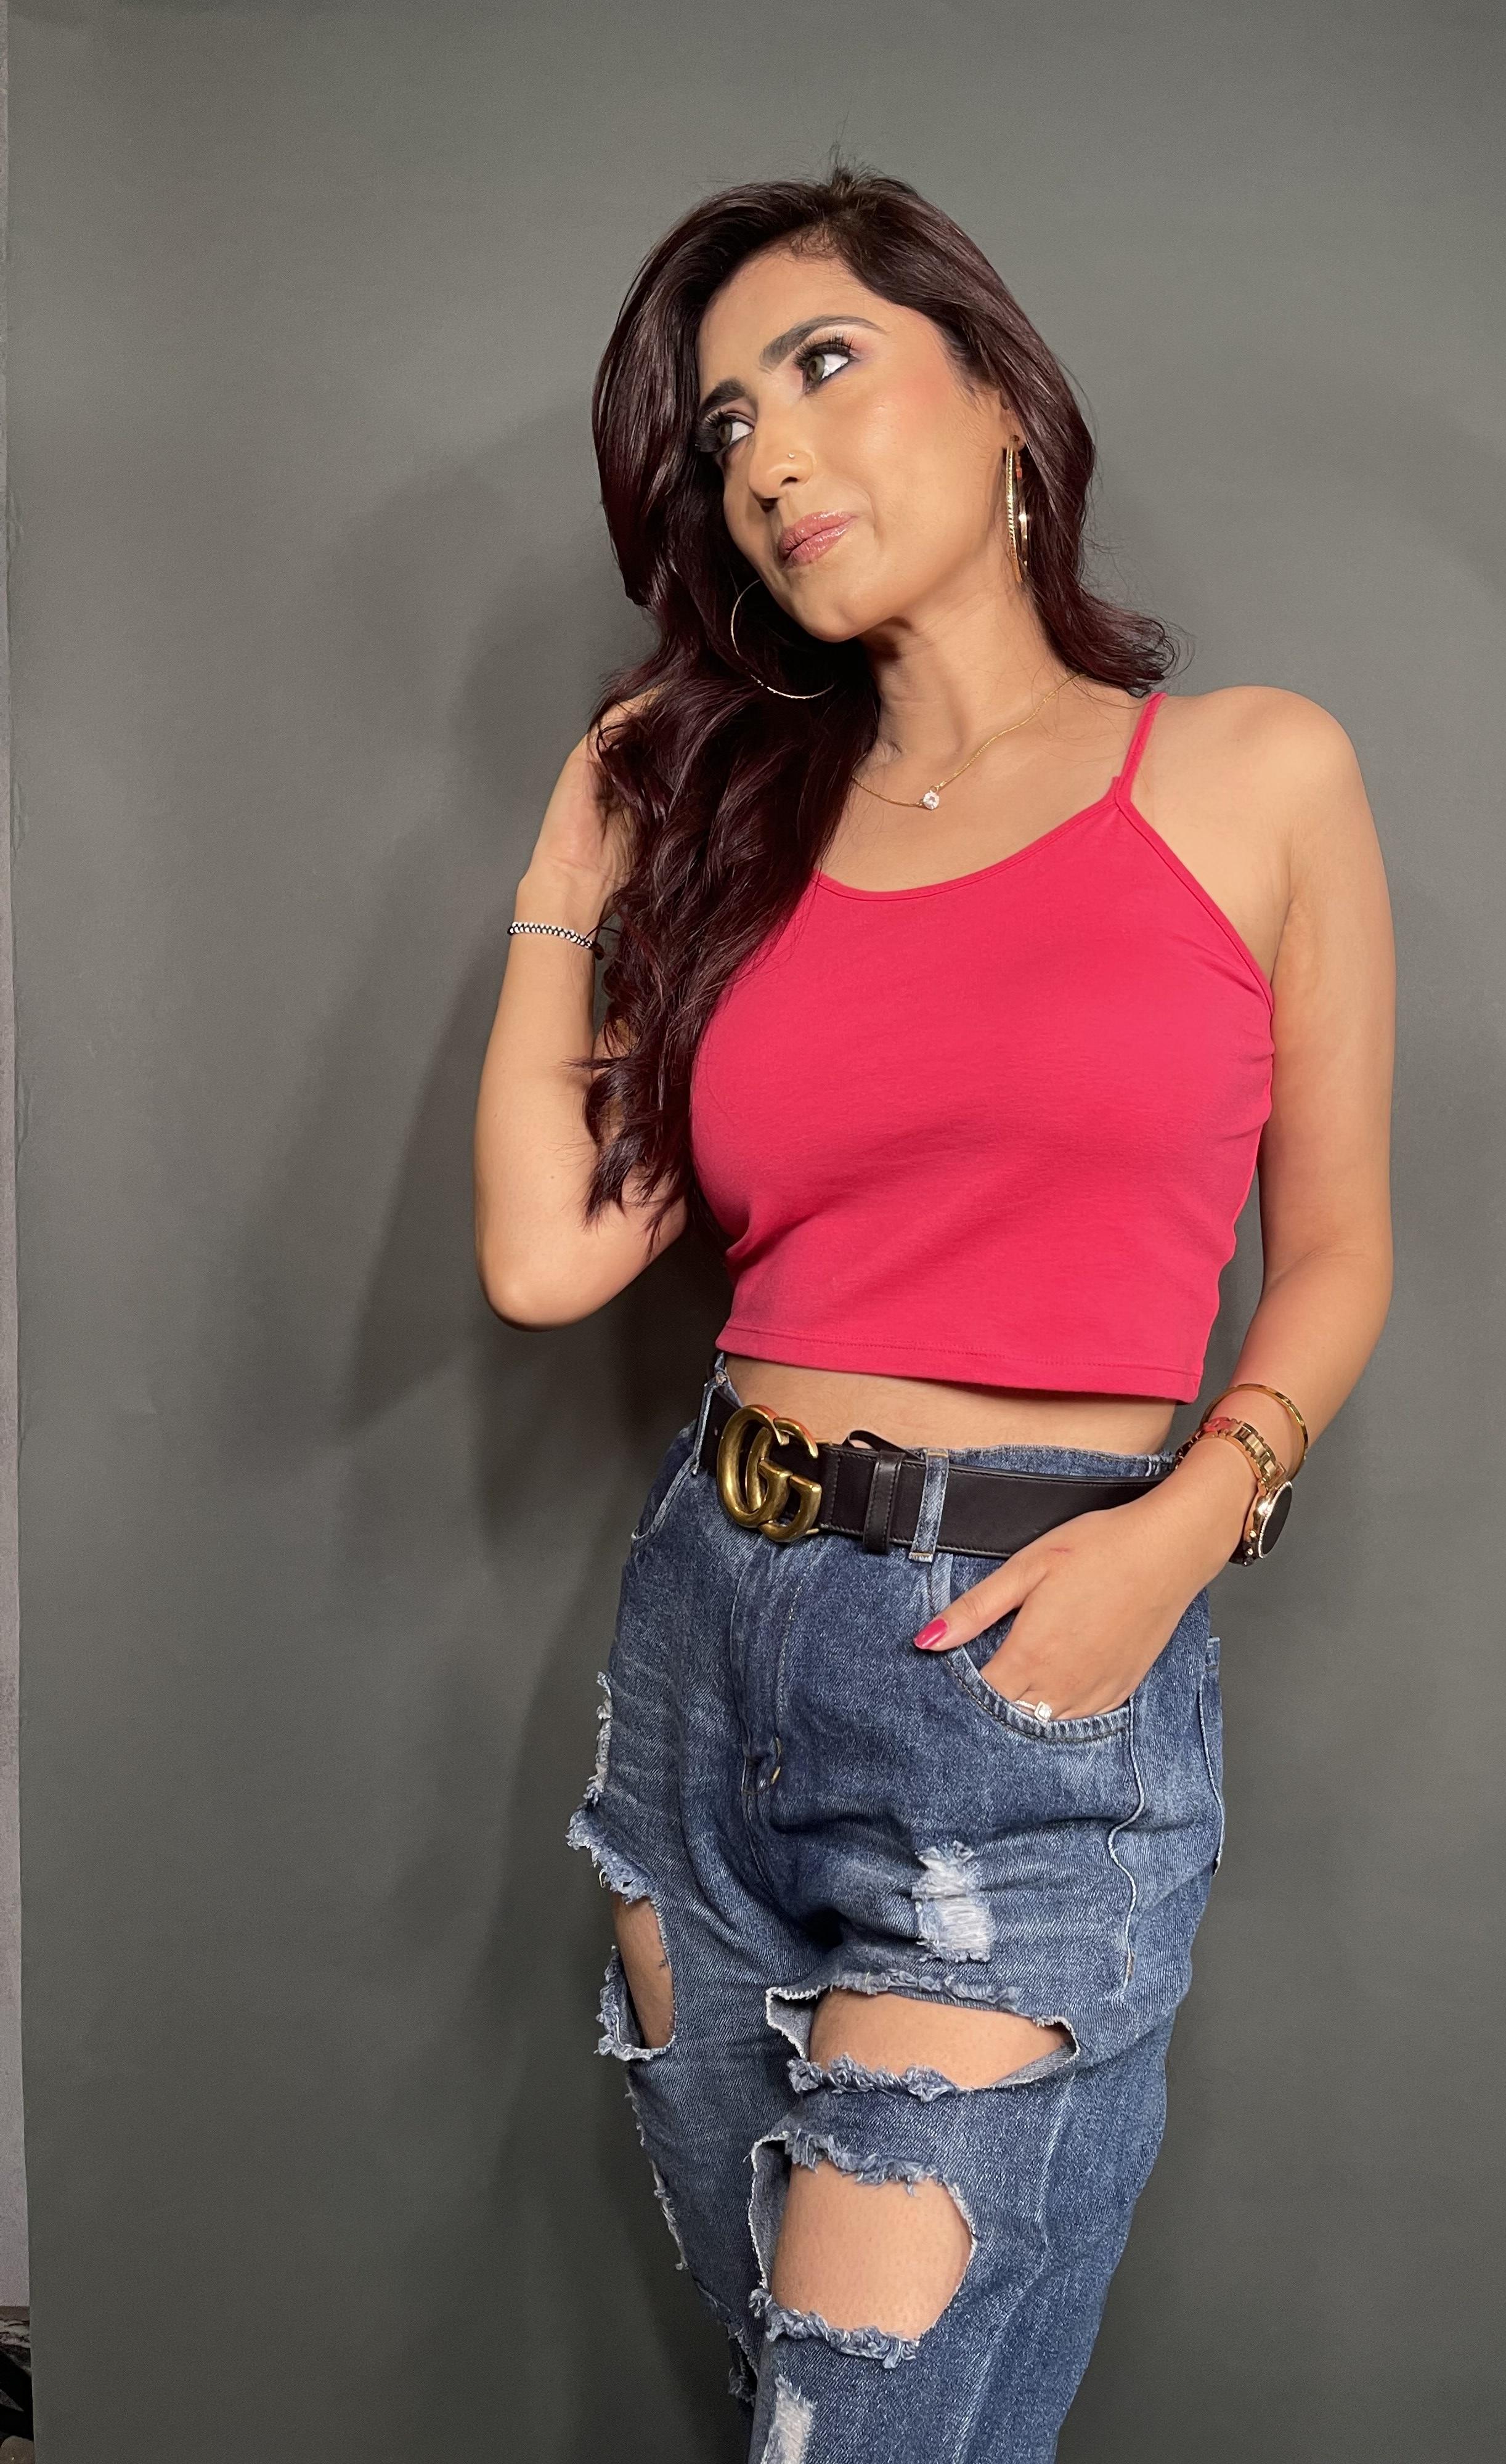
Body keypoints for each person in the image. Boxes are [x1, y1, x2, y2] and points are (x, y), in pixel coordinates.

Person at [473, 162, 1394, 2464]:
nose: (767, 458)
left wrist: (1190, 1525)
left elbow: (1343, 1248)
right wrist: (579, 856)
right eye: (723, 430)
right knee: (802, 2410)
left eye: (824, 367)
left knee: (858, 2434)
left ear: (1000, 394)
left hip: (1017, 1686)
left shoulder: (1252, 773)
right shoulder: (745, 842)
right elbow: (544, 1257)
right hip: (707, 1662)